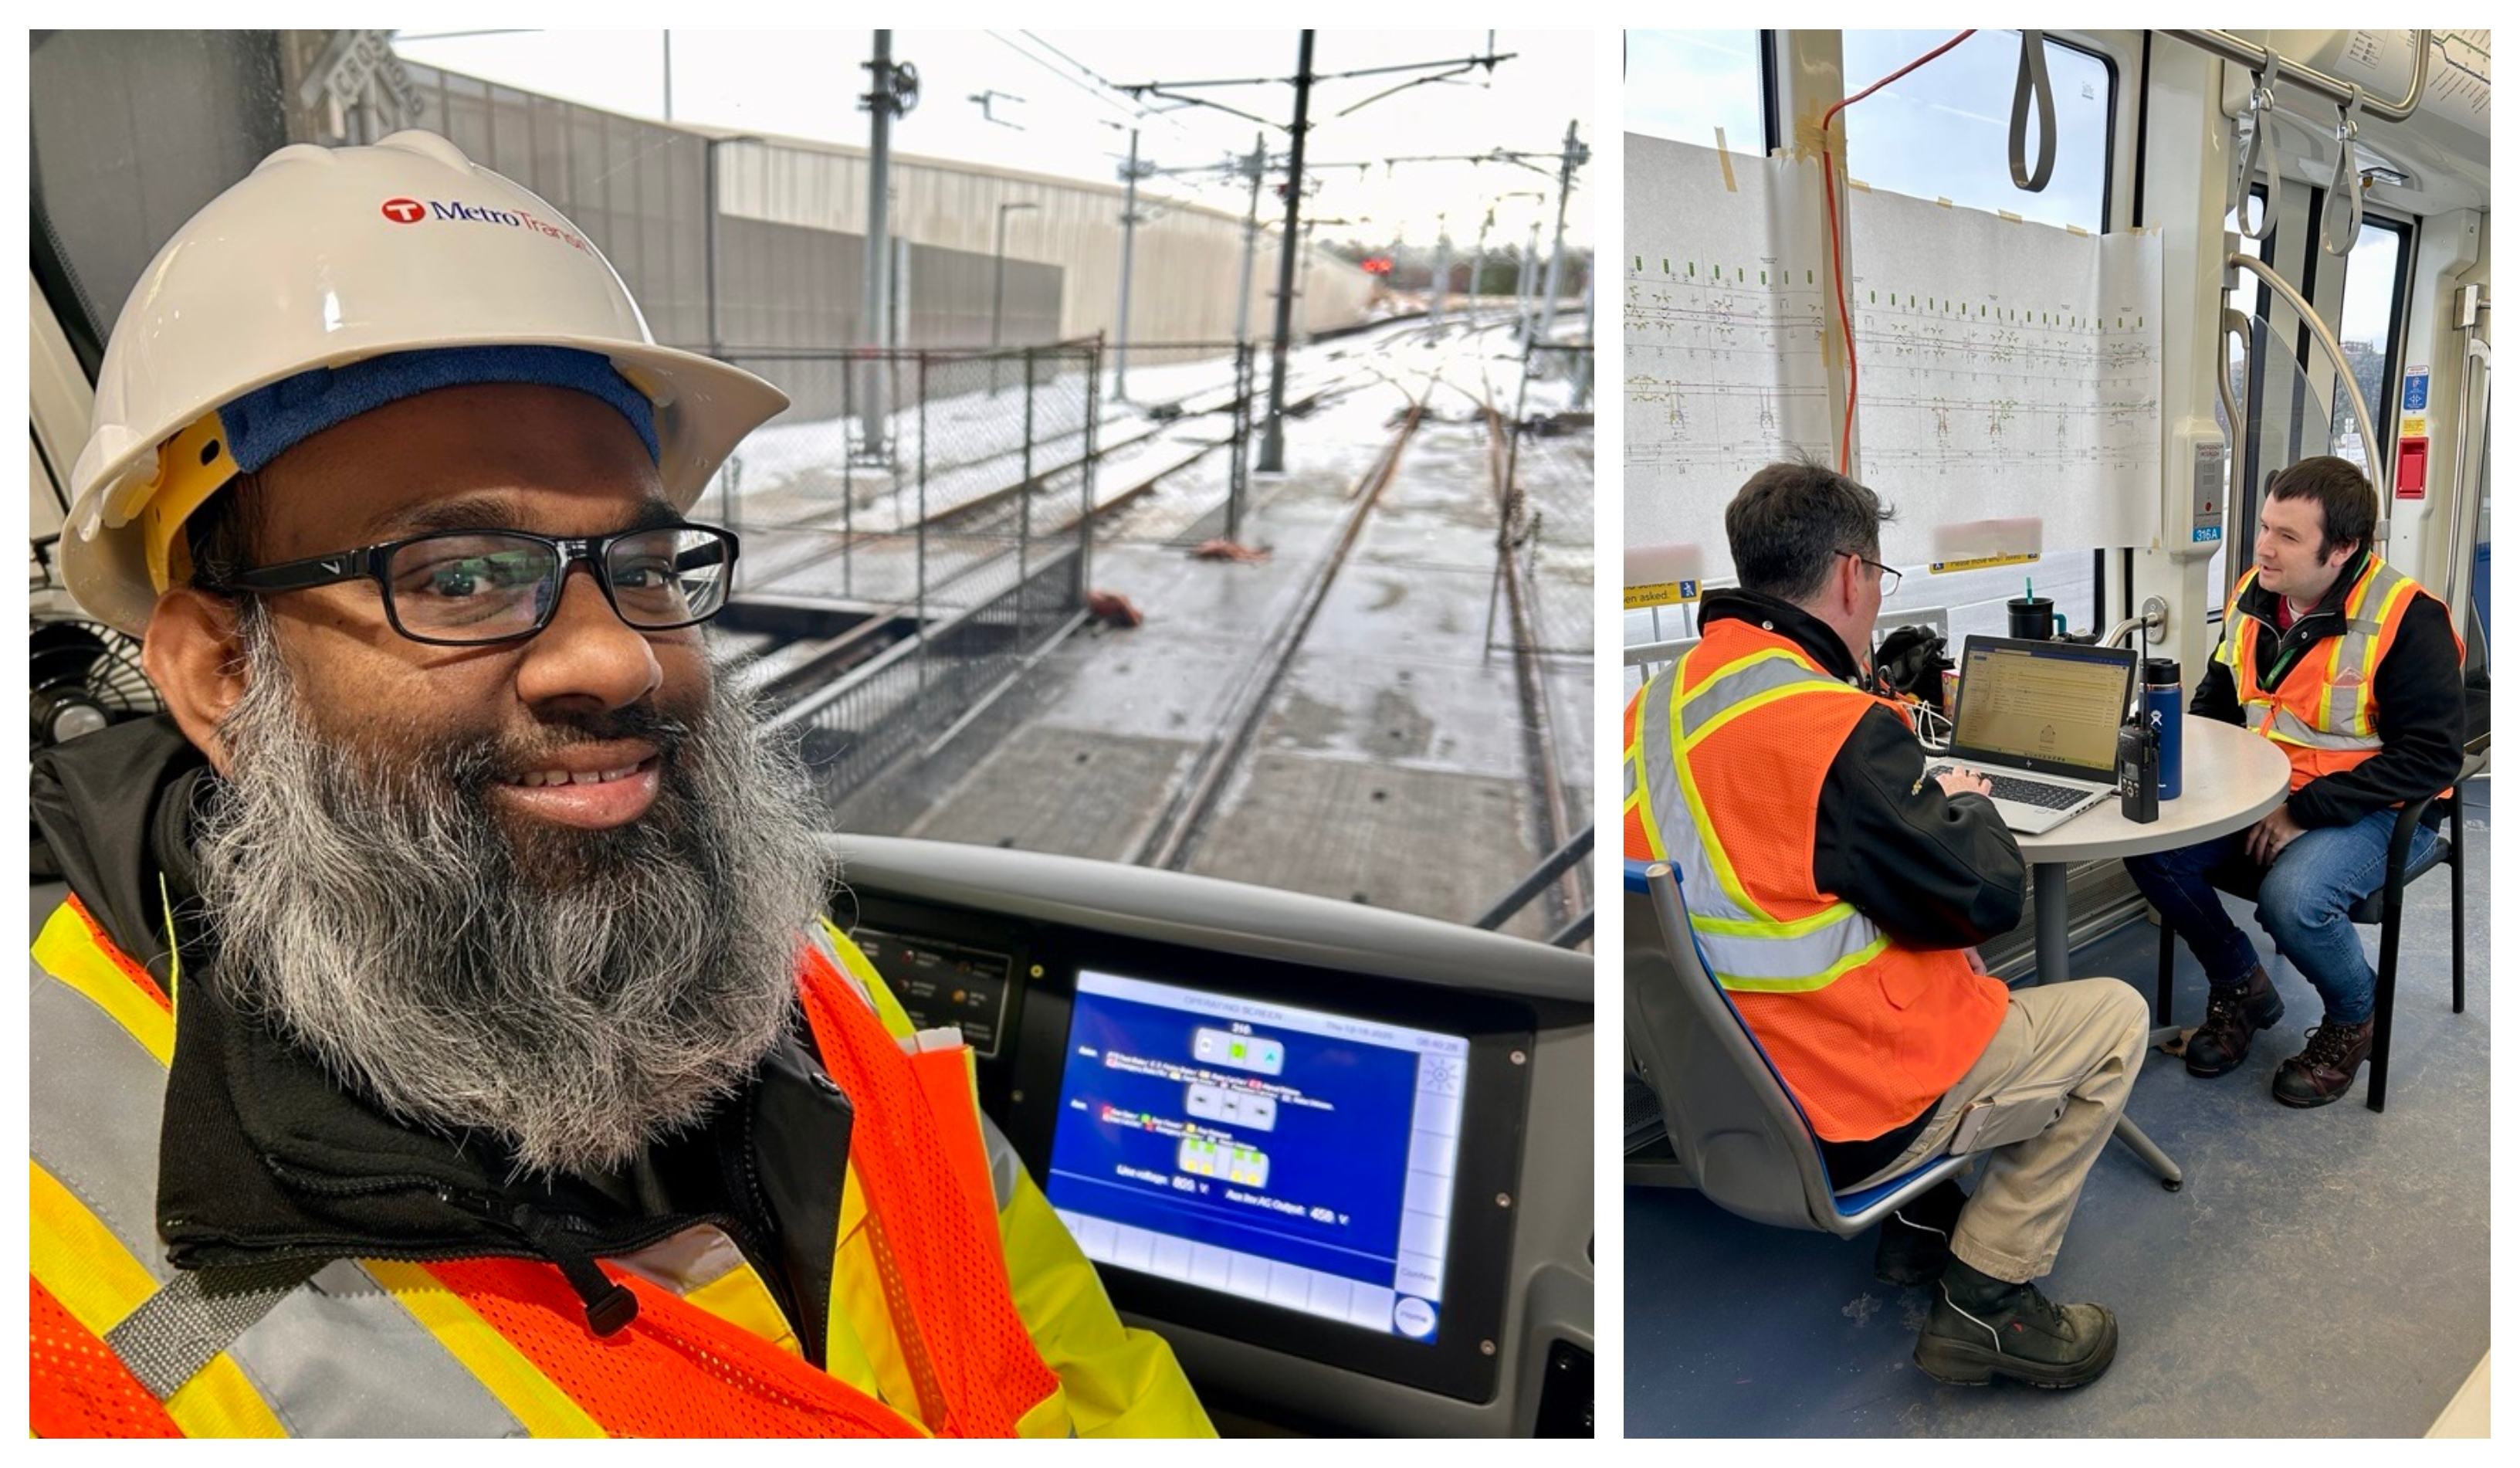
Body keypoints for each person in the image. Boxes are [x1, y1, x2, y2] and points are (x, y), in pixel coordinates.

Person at [29, 131, 1210, 1439]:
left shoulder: (797, 972)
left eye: (643, 560)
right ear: (218, 676)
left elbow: (1086, 1381)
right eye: (459, 575)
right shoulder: (60, 1295)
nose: (618, 653)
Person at [1624, 459, 2149, 1390]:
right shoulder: (1830, 727)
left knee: (1940, 966)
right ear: (1852, 575)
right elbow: (1987, 895)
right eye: (1880, 579)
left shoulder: (1651, 708)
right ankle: (1987, 1300)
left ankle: (1918, 1225)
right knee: (2114, 1016)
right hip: (1848, 1104)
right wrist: (1964, 800)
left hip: (1724, 1089)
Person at [2124, 456, 2465, 1107]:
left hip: (2381, 810)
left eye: (2286, 535)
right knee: (2150, 842)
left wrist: (2303, 812)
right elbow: (2221, 695)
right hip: (2265, 794)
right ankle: (2242, 982)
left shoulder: (2406, 620)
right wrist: (2190, 772)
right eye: (2263, 526)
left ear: (2342, 549)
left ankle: (2354, 1016)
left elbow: (2430, 758)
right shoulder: (2256, 591)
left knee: (2293, 899)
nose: (2263, 547)